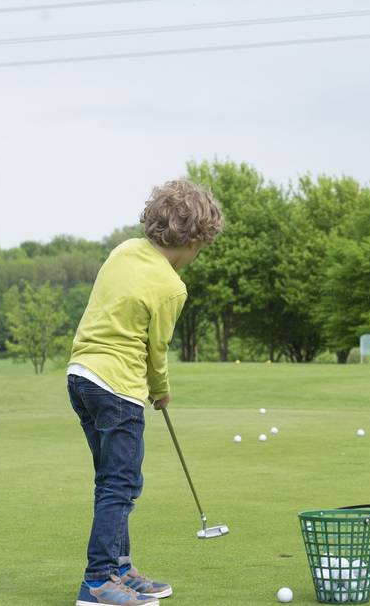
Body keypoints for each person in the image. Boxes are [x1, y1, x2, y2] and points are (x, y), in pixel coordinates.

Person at [67, 180, 223, 606]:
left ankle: (119, 568)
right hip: (118, 386)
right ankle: (98, 581)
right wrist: (162, 391)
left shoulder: (123, 250)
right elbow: (156, 349)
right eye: (201, 247)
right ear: (192, 241)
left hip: (80, 376)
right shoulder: (172, 286)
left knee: (114, 480)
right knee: (120, 485)